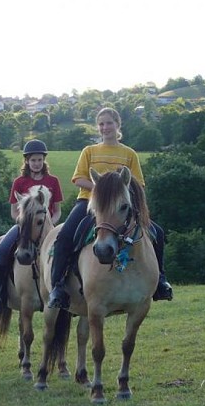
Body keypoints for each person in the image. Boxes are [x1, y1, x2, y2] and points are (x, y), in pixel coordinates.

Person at [47, 107, 174, 310]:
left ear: (117, 125)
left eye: (109, 123)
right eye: (101, 124)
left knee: (157, 233)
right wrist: (103, 191)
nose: (105, 127)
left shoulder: (129, 154)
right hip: (90, 203)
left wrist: (116, 196)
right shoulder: (89, 151)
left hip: (120, 207)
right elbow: (78, 179)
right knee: (64, 237)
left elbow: (138, 184)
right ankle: (58, 286)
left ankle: (160, 280)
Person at [0, 139, 63, 314]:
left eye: (39, 160)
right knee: (2, 250)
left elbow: (57, 210)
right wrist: (23, 223)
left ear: (44, 160)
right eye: (33, 160)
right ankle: (0, 296)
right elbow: (14, 211)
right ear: (27, 161)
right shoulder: (19, 182)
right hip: (25, 227)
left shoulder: (53, 181)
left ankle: (64, 294)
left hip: (47, 228)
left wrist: (50, 225)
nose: (36, 163)